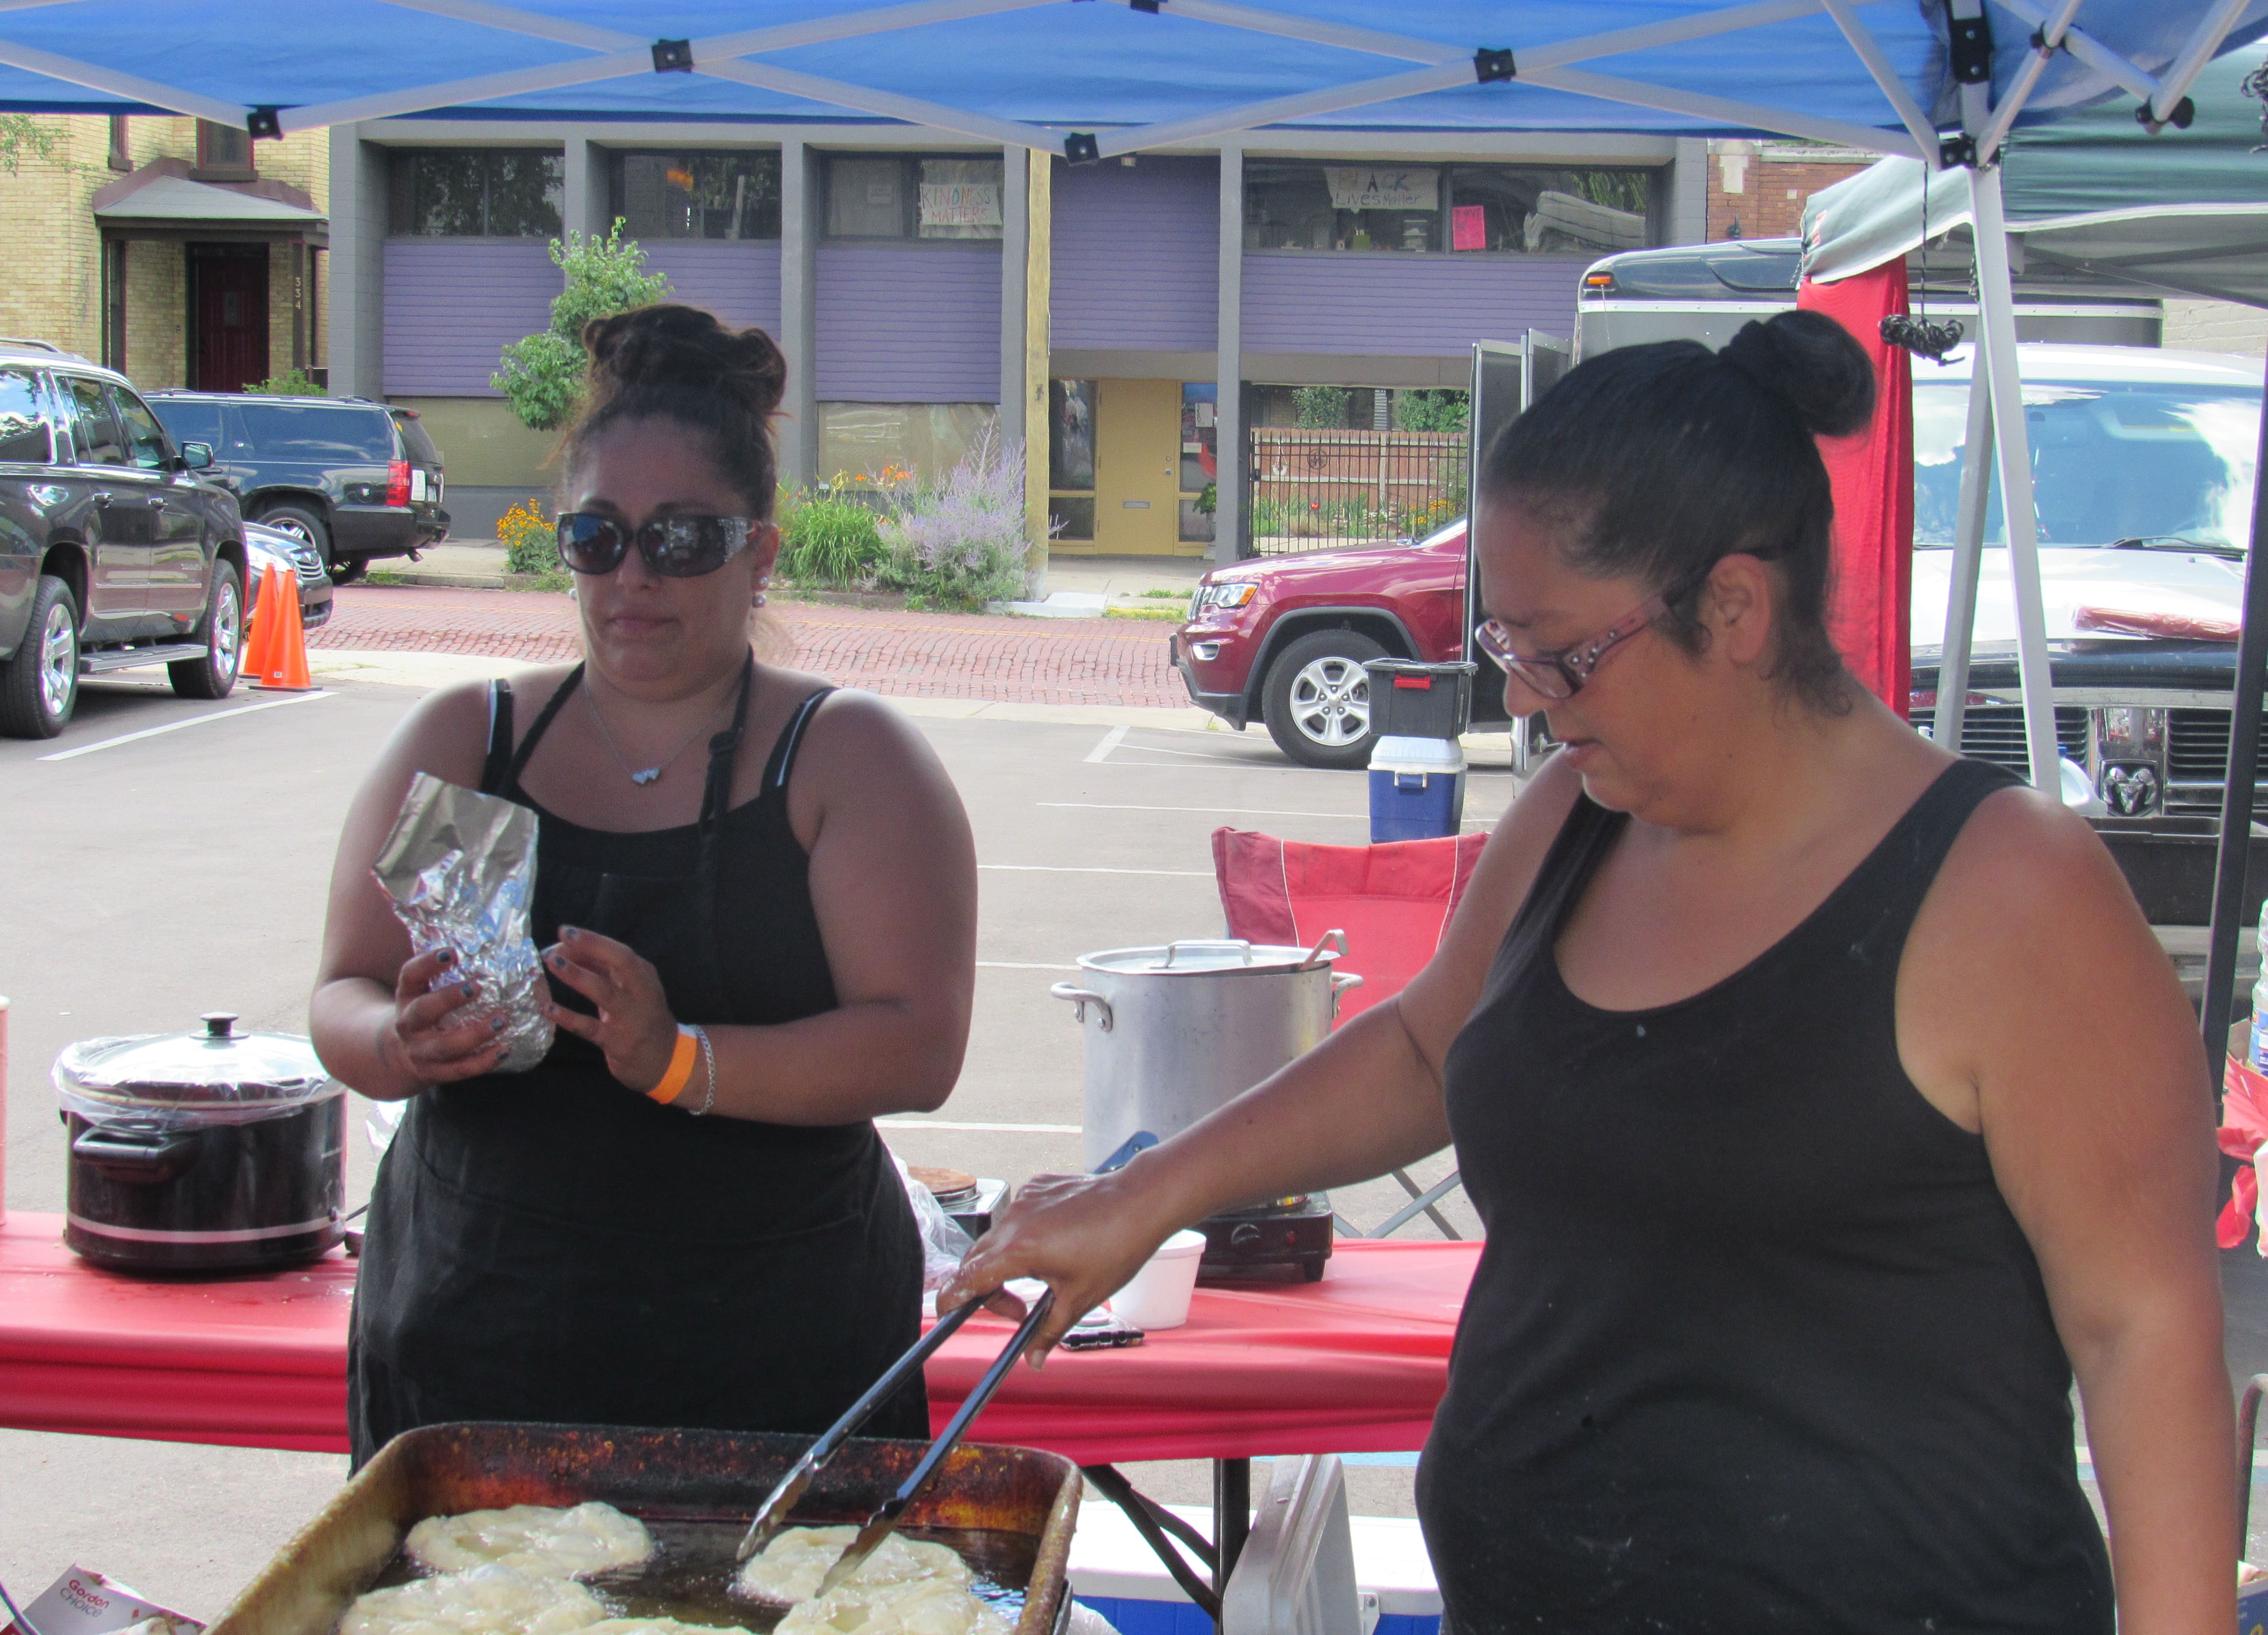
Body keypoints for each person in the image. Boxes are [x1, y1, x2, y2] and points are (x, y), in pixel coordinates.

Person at [945, 312, 2233, 1633]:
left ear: (1734, 606)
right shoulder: (1570, 820)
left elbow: (2147, 1337)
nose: (1523, 701)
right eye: (1505, 649)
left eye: (1559, 655)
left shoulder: (2009, 892)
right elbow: (1423, 1050)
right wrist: (1143, 1198)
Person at [313, 304, 977, 1467]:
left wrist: (679, 1058)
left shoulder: (843, 758)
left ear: (758, 553)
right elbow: (342, 993)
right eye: (597, 536)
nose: (634, 575)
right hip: (474, 1332)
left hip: (771, 1346)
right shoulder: (469, 740)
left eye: (682, 539)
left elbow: (918, 1045)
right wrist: (399, 1045)